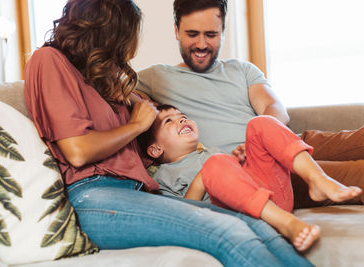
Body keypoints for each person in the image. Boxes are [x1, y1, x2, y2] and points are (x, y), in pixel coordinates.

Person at [23, 0, 314, 266]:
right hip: (94, 196)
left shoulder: (100, 78)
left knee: (257, 223)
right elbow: (77, 150)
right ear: (106, 33)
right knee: (225, 230)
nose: (127, 51)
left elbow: (150, 110)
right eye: (124, 39)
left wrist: (123, 93)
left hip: (137, 192)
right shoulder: (49, 60)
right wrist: (135, 125)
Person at [136, 0, 364, 208]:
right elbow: (111, 92)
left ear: (223, 31)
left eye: (211, 34)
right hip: (253, 173)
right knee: (354, 174)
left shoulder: (242, 69)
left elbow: (274, 109)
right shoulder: (156, 78)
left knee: (356, 138)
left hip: (287, 142)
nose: (202, 44)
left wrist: (258, 143)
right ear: (176, 31)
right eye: (192, 34)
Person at [138, 104, 362, 251]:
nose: (181, 120)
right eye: (169, 121)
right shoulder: (163, 177)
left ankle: (318, 180)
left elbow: (238, 178)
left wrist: (241, 161)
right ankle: (287, 224)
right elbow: (184, 217)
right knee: (217, 163)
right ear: (155, 150)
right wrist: (202, 178)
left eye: (183, 116)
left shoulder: (210, 151)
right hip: (245, 216)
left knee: (260, 123)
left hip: (271, 195)